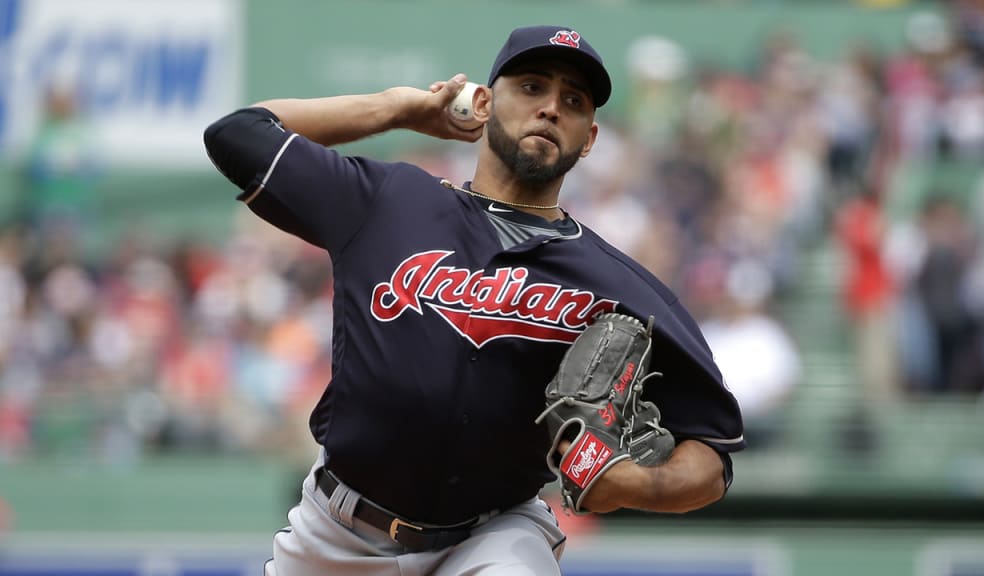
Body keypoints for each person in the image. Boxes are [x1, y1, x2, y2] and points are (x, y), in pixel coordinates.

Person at [204, 25, 745, 576]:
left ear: (589, 139)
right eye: (532, 87)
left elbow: (711, 449)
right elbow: (238, 135)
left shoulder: (618, 285)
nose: (551, 108)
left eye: (573, 102)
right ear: (482, 103)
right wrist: (397, 110)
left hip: (493, 537)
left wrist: (639, 484)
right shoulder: (388, 202)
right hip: (337, 534)